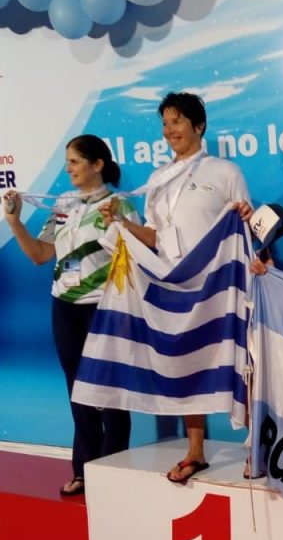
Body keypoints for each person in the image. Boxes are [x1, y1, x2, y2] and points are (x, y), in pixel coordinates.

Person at [100, 91, 255, 484]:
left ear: (198, 126)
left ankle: (256, 446)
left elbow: (245, 228)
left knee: (240, 359)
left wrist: (248, 219)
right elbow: (154, 236)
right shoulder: (158, 179)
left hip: (219, 285)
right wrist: (120, 222)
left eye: (177, 122)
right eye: (165, 124)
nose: (170, 131)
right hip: (173, 282)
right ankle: (196, 451)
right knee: (184, 362)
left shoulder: (225, 172)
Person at [3, 135, 137, 496]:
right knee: (78, 389)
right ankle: (84, 469)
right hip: (64, 306)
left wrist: (119, 224)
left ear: (97, 164)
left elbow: (137, 256)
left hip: (104, 306)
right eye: (67, 161)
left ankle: (115, 470)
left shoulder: (120, 205)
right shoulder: (62, 204)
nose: (67, 169)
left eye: (75, 161)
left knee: (109, 391)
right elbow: (40, 254)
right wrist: (14, 222)